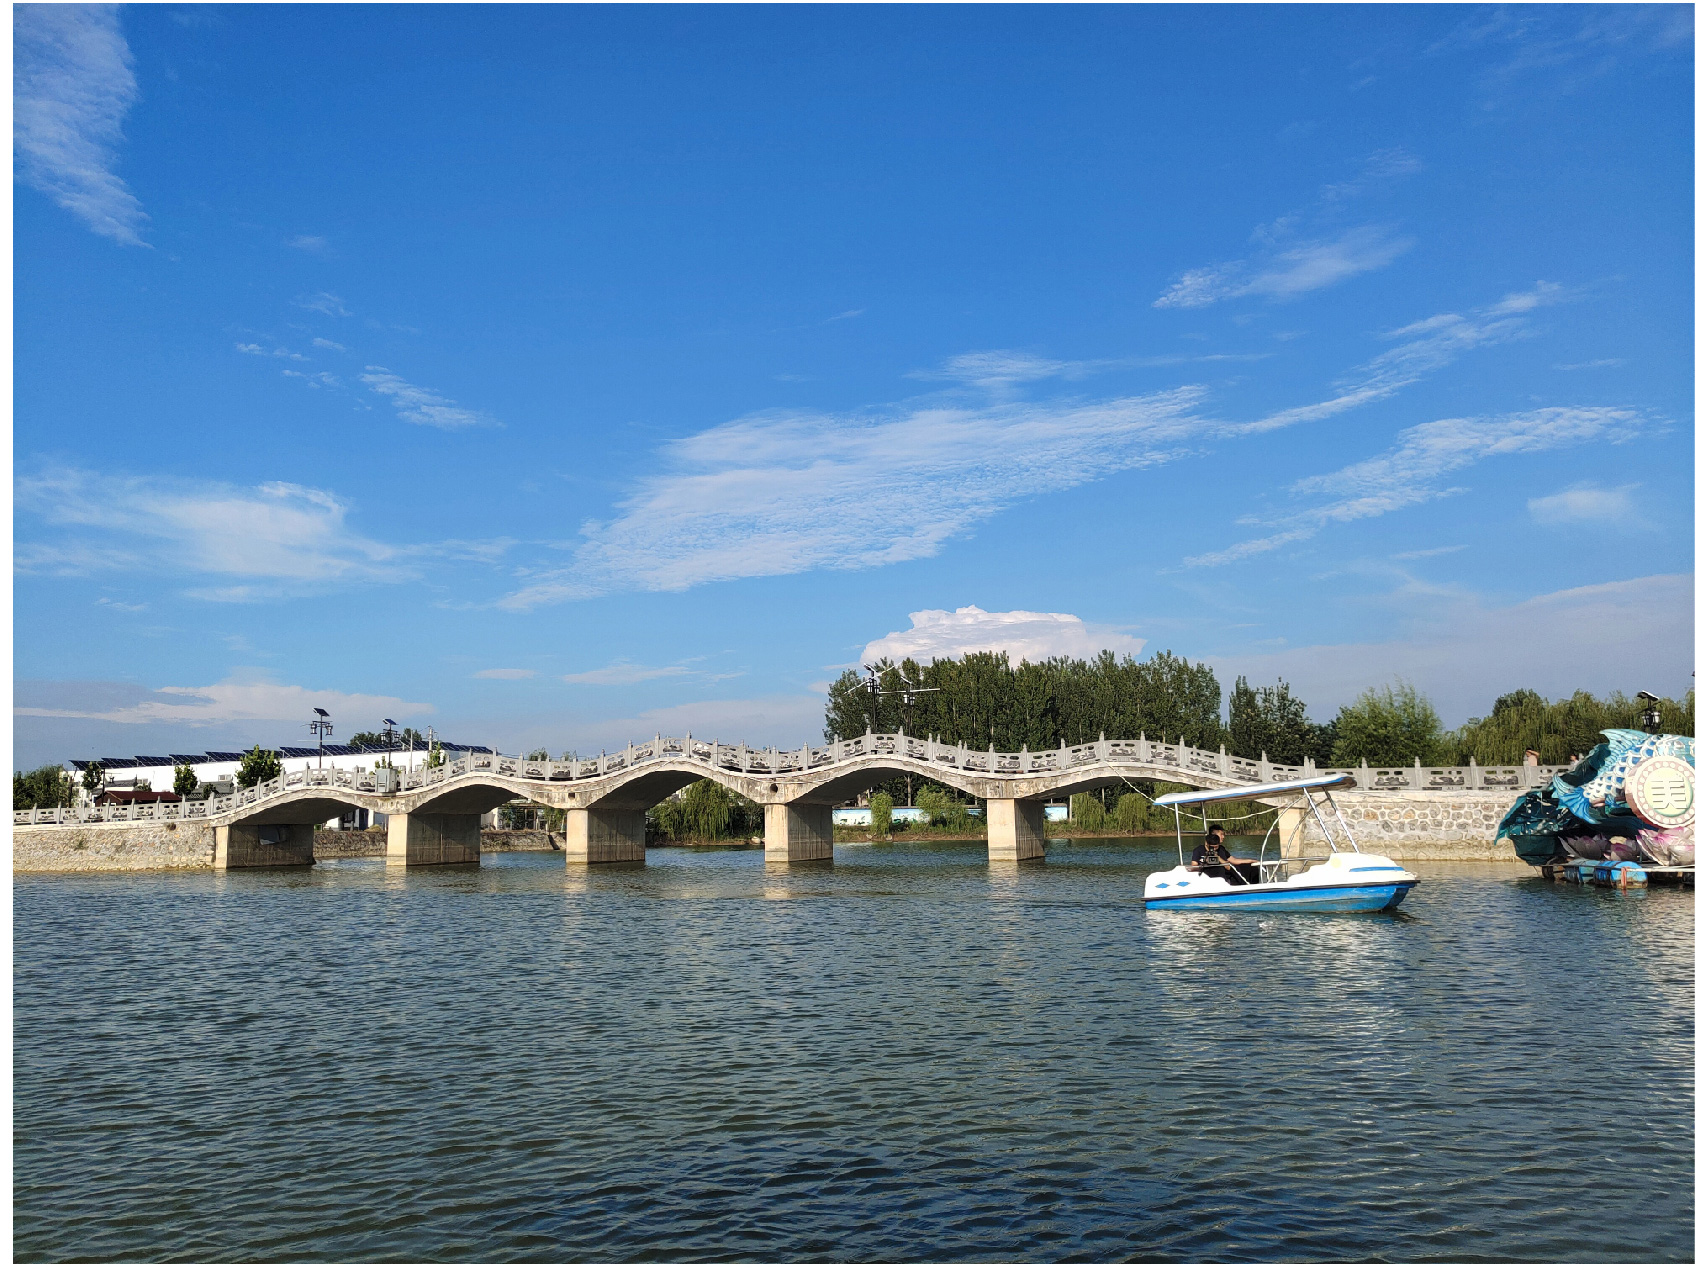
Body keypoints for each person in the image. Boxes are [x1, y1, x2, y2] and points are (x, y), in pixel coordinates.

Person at [1189, 825, 1258, 884]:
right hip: (1208, 877)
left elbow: (1232, 861)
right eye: (1221, 834)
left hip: (1223, 877)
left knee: (1248, 867)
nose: (1223, 837)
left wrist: (1251, 861)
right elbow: (1194, 866)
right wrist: (1205, 862)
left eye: (1216, 846)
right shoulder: (1199, 850)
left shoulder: (1221, 849)